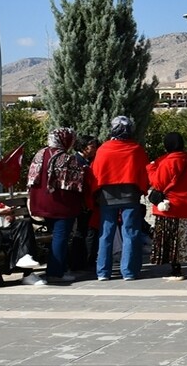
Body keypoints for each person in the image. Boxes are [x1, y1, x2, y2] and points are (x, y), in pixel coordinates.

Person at [90, 115, 150, 282]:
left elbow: (96, 173)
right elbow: (144, 172)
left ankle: (103, 272)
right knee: (130, 232)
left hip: (107, 197)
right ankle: (129, 271)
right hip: (130, 195)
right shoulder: (136, 149)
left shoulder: (103, 149)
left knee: (106, 233)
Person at [26, 126, 87, 284]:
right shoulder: (68, 159)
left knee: (56, 236)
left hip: (40, 203)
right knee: (61, 237)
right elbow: (76, 185)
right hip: (61, 205)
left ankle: (56, 269)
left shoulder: (40, 154)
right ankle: (55, 272)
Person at [148, 132, 187, 280]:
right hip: (186, 205)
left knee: (172, 238)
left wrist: (151, 169)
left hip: (169, 206)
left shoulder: (167, 162)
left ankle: (176, 270)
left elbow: (157, 184)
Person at [67, 135, 100, 273]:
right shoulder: (76, 161)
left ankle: (86, 260)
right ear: (83, 147)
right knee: (81, 232)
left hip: (89, 202)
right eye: (92, 147)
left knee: (88, 231)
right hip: (81, 203)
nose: (94, 150)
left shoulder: (90, 160)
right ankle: (79, 262)